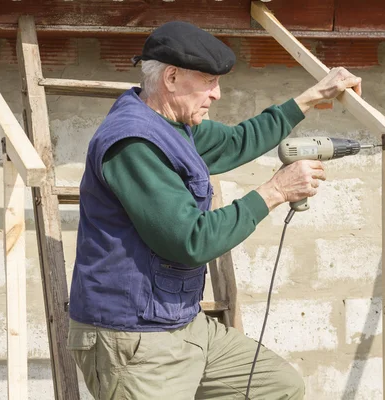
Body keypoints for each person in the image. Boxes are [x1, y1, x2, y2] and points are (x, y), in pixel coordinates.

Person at [68, 21, 362, 400]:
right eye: (208, 81)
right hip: (135, 338)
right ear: (171, 77)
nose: (217, 94)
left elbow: (238, 141)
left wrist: (312, 97)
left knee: (277, 387)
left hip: (181, 323)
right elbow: (191, 241)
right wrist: (275, 191)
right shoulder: (135, 144)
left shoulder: (173, 124)